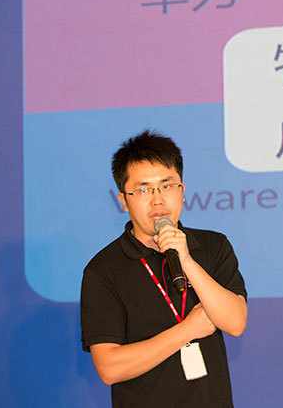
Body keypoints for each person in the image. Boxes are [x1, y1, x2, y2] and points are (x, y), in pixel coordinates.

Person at [80, 130, 247, 407]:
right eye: (143, 190)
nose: (157, 200)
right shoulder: (103, 270)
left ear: (182, 191)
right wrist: (187, 330)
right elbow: (109, 368)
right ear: (123, 201)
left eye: (167, 186)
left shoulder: (212, 246)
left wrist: (187, 260)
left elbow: (236, 322)